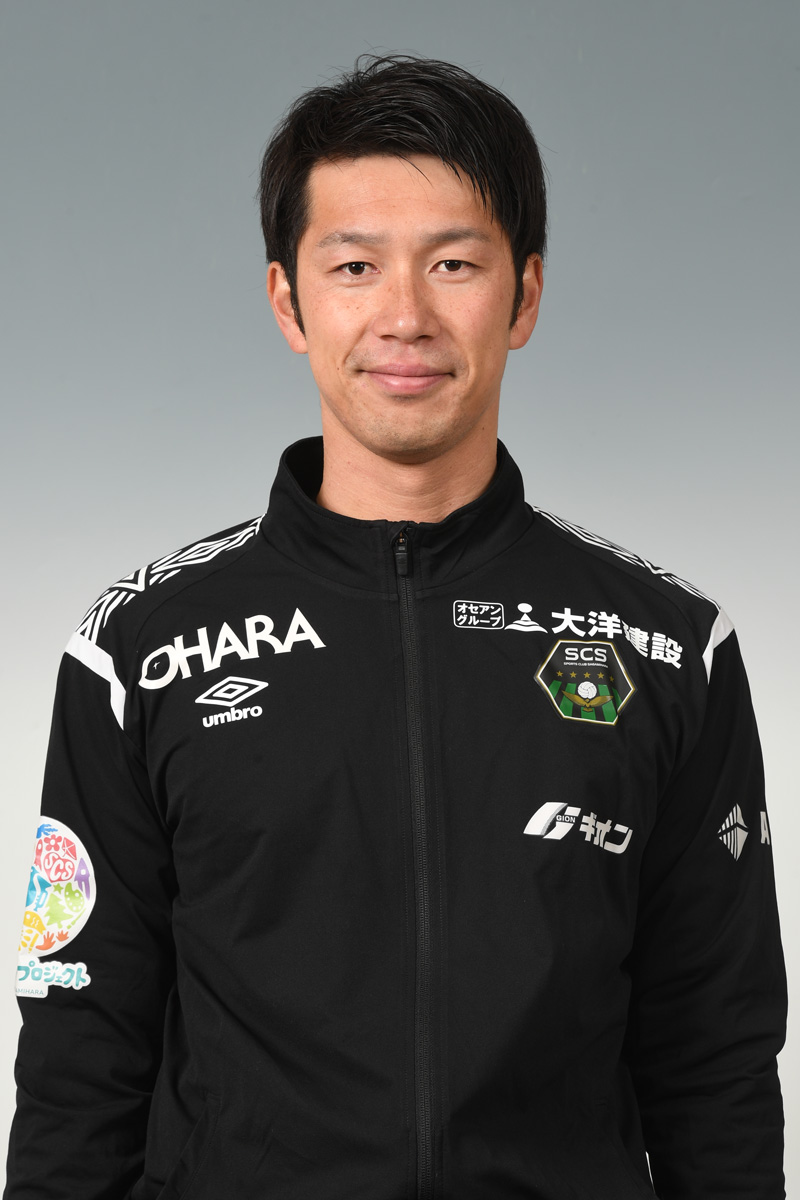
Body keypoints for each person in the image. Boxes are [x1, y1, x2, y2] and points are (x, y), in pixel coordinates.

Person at [4, 54, 786, 1200]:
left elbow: (715, 1061)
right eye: (355, 266)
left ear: (523, 296)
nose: (404, 316)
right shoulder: (138, 651)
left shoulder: (669, 647)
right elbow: (79, 1057)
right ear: (289, 301)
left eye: (453, 263)